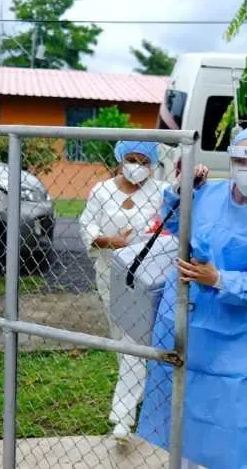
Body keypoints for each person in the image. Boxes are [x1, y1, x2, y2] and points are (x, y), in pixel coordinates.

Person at [136, 127, 247, 468]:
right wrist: (184, 189)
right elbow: (172, 224)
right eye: (240, 159)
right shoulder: (208, 193)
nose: (246, 167)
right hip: (187, 319)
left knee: (234, 416)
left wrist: (218, 278)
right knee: (182, 409)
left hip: (237, 334)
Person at [78, 140, 170, 440]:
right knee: (122, 340)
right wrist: (109, 241)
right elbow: (86, 225)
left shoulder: (161, 191)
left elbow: (185, 202)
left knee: (133, 342)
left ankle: (123, 416)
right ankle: (137, 393)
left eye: (144, 161)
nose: (137, 166)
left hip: (148, 280)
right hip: (110, 276)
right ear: (120, 159)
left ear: (153, 164)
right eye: (131, 159)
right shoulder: (102, 191)